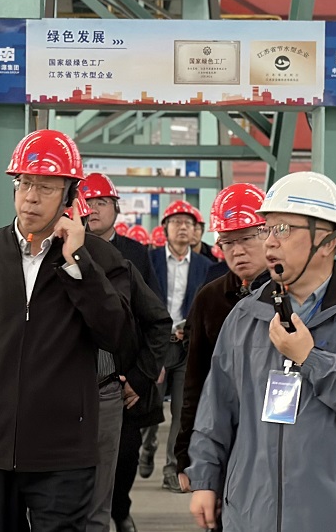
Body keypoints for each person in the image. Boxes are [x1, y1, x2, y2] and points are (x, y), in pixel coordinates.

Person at [0, 129, 136, 532]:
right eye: (24, 183)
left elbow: (120, 338)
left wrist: (78, 263)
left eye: (45, 187)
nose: (31, 198)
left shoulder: (99, 258)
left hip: (64, 456)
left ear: (69, 197)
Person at [187, 171, 336, 531]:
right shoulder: (246, 316)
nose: (270, 242)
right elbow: (217, 406)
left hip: (333, 520)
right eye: (267, 229)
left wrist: (311, 359)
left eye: (283, 229)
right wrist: (204, 479)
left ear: (327, 241)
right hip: (251, 515)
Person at [80, 172, 169, 532]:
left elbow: (155, 316)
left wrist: (141, 376)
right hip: (78, 379)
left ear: (116, 209)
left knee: (125, 454)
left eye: (101, 202)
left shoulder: (134, 255)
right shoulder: (62, 253)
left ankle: (120, 510)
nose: (93, 209)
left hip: (126, 380)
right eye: (87, 203)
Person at [174, 184, 270, 497]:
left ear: (268, 234)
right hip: (223, 436)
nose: (237, 250)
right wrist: (185, 454)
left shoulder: (291, 295)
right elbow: (194, 380)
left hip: (277, 436)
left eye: (246, 238)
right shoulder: (209, 299)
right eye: (228, 241)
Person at [144, 200, 214, 492]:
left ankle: (172, 468)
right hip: (157, 346)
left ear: (196, 230)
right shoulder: (149, 261)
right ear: (165, 228)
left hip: (186, 347)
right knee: (150, 405)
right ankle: (147, 445)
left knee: (182, 411)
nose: (183, 228)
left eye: (188, 223)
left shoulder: (205, 267)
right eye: (176, 222)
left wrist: (193, 326)